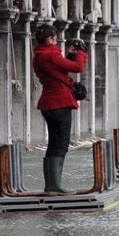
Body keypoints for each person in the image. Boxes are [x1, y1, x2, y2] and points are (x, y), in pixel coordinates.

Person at [33, 24, 87, 195]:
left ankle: (51, 185)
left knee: (53, 144)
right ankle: (54, 186)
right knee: (61, 144)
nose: (56, 43)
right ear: (50, 39)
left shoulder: (39, 55)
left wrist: (71, 54)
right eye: (55, 39)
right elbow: (77, 68)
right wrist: (81, 53)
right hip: (60, 103)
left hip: (48, 104)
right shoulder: (50, 54)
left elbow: (61, 68)